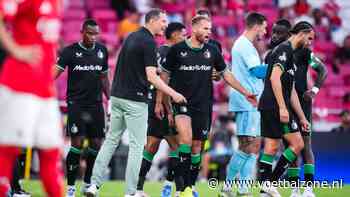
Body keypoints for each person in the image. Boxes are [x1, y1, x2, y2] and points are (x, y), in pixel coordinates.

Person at [86, 9, 186, 197]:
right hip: (135, 100)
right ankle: (131, 192)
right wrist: (174, 93)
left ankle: (93, 185)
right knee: (136, 146)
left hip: (116, 97)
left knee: (110, 142)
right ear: (153, 20)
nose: (165, 25)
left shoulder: (131, 36)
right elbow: (152, 77)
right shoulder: (149, 42)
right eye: (163, 21)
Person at [160, 15, 257, 197]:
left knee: (197, 147)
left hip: (203, 105)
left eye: (210, 29)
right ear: (194, 28)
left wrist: (245, 92)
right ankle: (181, 190)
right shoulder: (177, 50)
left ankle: (190, 186)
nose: (208, 32)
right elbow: (163, 77)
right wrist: (161, 102)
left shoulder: (212, 51)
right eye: (205, 29)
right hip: (181, 103)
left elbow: (226, 74)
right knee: (185, 141)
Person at [0, 0, 64, 197]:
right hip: (20, 85)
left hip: (45, 89)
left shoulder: (55, 2)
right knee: (8, 152)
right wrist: (15, 50)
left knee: (51, 154)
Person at [258, 21, 315, 197]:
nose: (310, 42)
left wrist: (302, 117)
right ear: (302, 33)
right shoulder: (284, 49)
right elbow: (275, 78)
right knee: (296, 144)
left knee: (273, 146)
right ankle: (270, 183)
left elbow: (291, 91)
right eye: (310, 38)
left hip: (273, 104)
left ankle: (265, 188)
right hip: (274, 104)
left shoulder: (291, 54)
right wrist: (283, 108)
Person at [55, 19, 110, 197]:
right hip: (76, 104)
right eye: (90, 33)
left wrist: (111, 99)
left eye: (96, 34)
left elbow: (104, 79)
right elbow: (54, 73)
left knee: (96, 144)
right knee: (77, 143)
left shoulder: (102, 51)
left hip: (96, 104)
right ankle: (70, 187)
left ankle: (87, 183)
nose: (93, 37)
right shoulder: (69, 52)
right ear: (82, 32)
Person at [274, 20, 327, 197]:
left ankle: (309, 188)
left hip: (302, 104)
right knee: (291, 147)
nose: (310, 42)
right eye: (309, 38)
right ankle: (296, 189)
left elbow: (322, 70)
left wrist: (314, 90)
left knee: (305, 146)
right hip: (284, 103)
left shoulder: (305, 53)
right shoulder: (281, 51)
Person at [135, 22, 187, 197]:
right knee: (178, 146)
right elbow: (162, 83)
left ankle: (138, 188)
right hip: (163, 105)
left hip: (153, 104)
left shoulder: (157, 51)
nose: (185, 37)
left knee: (151, 146)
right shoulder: (170, 53)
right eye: (183, 34)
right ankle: (179, 189)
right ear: (173, 35)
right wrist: (168, 109)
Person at [220, 12, 268, 197]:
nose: (265, 30)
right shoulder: (245, 45)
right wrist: (279, 66)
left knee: (253, 146)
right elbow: (256, 71)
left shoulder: (244, 44)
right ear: (256, 26)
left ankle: (242, 189)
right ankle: (228, 187)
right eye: (264, 27)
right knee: (247, 146)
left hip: (250, 101)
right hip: (248, 101)